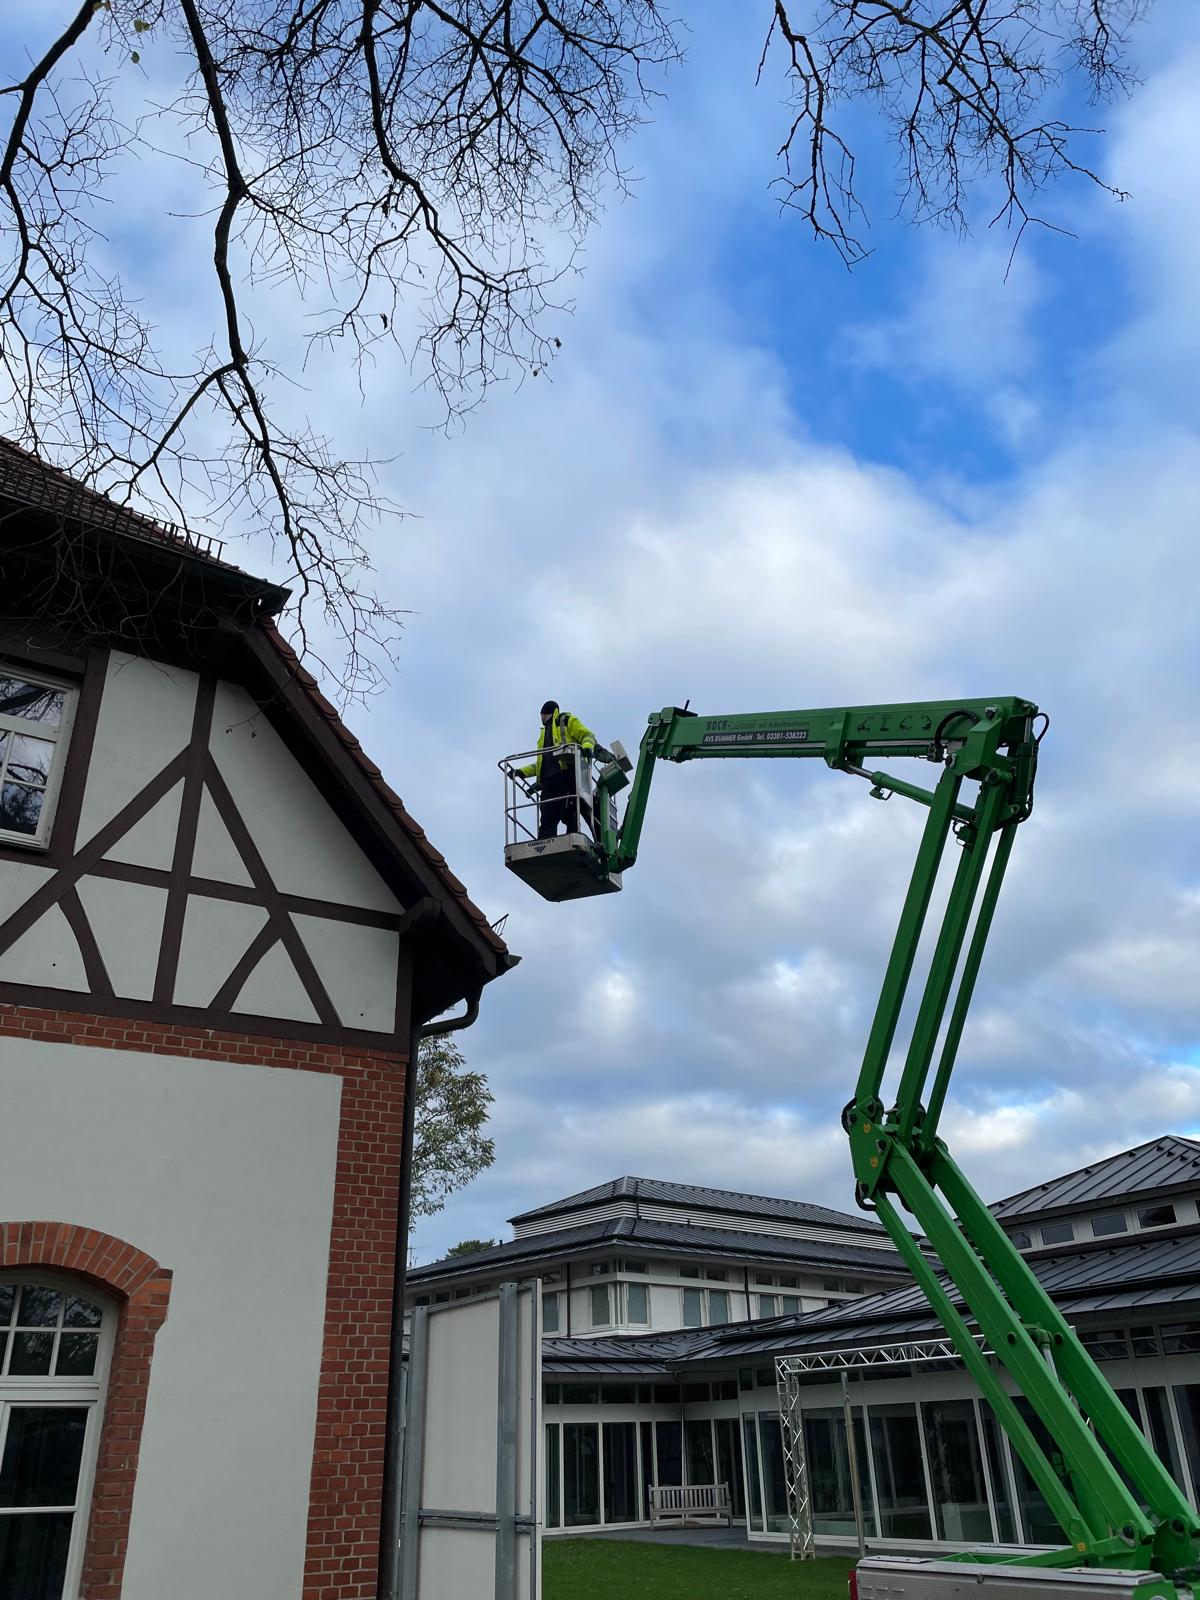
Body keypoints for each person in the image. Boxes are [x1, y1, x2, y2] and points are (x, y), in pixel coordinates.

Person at [521, 700, 597, 838]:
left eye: (542, 715)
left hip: (566, 775)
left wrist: (587, 747)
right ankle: (544, 846)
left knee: (569, 811)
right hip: (548, 782)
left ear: (545, 713)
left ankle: (572, 838)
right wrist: (522, 772)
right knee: (547, 816)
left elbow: (587, 735)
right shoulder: (543, 734)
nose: (541, 718)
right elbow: (541, 763)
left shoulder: (566, 720)